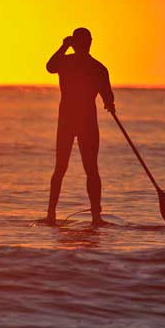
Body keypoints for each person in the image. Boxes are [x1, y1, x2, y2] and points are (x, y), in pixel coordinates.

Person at [43, 27, 115, 227]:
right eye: (81, 41)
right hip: (70, 121)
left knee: (88, 169)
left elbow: (108, 96)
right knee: (63, 167)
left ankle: (94, 216)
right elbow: (50, 67)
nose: (85, 44)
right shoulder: (69, 63)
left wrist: (109, 103)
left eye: (86, 41)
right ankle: (53, 214)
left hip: (83, 122)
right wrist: (64, 46)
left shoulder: (97, 68)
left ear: (90, 42)